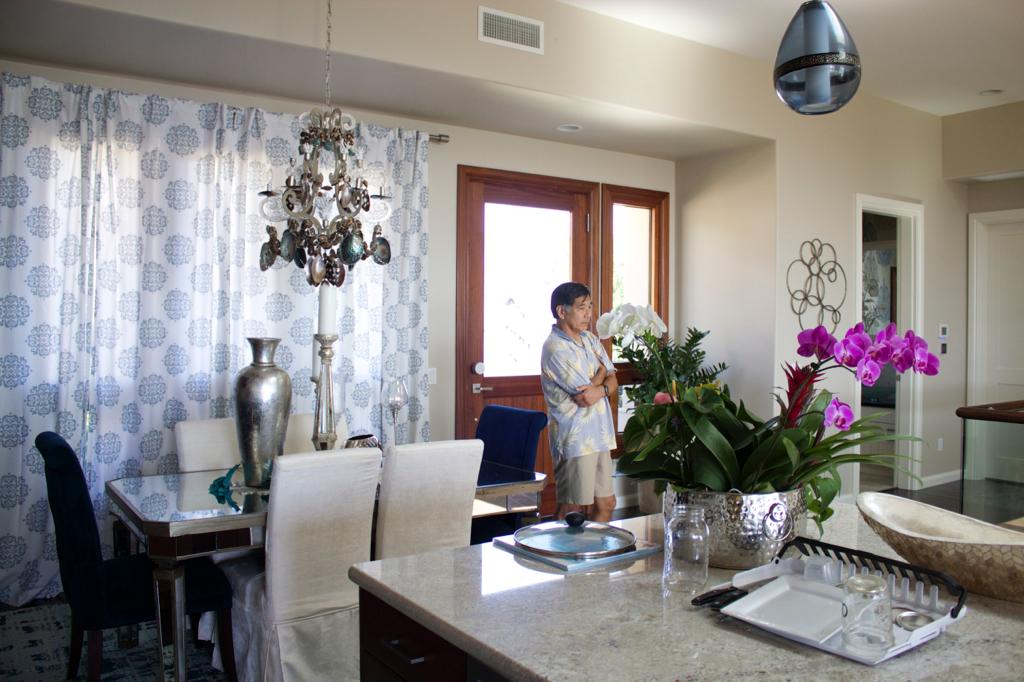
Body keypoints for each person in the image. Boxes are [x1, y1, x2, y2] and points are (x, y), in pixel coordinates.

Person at [540, 282, 618, 522]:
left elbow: (613, 379)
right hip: (575, 438)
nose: (588, 314)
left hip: (600, 434)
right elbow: (584, 395)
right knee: (571, 509)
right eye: (581, 307)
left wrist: (600, 385)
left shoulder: (590, 339)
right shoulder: (555, 348)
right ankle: (559, 548)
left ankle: (596, 547)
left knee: (607, 504)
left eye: (590, 306)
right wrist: (602, 374)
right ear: (561, 311)